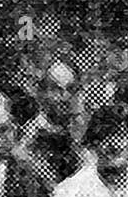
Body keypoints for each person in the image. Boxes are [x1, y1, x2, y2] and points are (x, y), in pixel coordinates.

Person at [17, 58, 86, 189]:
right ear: (42, 92)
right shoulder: (31, 138)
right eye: (56, 89)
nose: (65, 96)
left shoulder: (82, 130)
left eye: (71, 89)